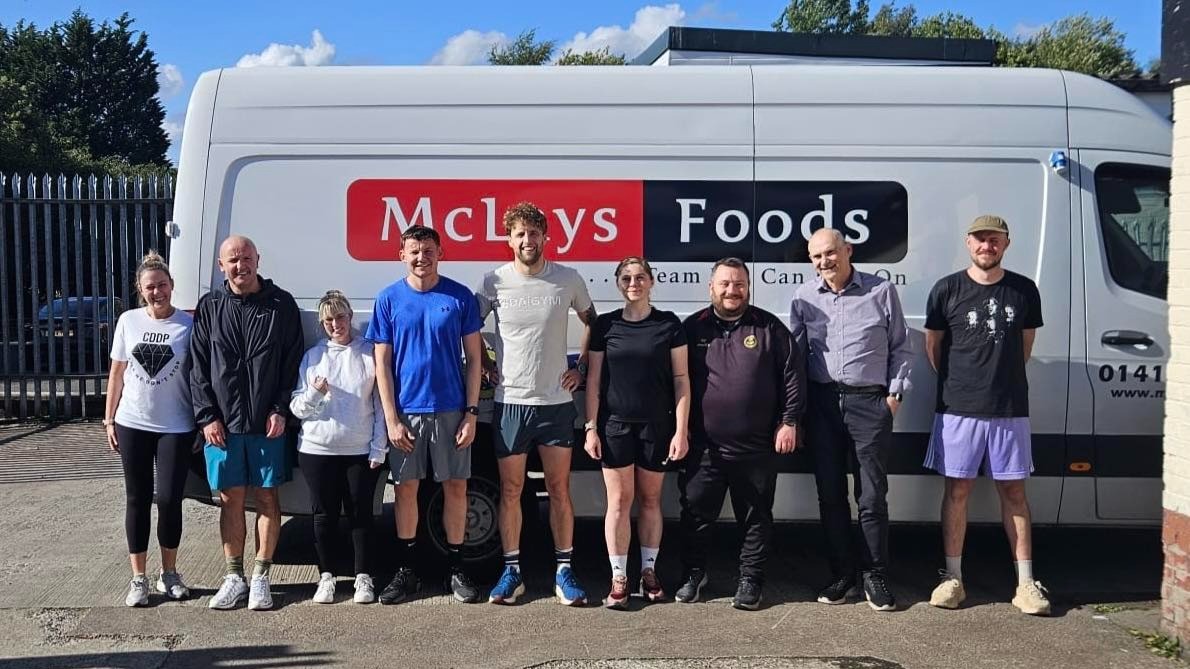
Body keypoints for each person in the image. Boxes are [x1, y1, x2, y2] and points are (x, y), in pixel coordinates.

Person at [922, 215, 1050, 616]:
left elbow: (1025, 349)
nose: (986, 246)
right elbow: (934, 348)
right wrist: (965, 384)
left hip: (1009, 408)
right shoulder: (947, 289)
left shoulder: (1024, 290)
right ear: (968, 243)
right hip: (958, 409)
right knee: (957, 491)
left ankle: (1026, 584)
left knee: (1014, 494)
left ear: (1006, 244)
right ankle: (953, 578)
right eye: (980, 240)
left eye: (994, 240)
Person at [477, 202, 597, 606]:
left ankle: (565, 570)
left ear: (547, 237)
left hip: (556, 403)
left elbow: (594, 324)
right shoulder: (494, 282)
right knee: (511, 490)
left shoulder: (568, 279)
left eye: (535, 233)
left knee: (559, 489)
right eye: (520, 234)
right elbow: (468, 329)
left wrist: (580, 366)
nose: (528, 240)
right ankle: (511, 572)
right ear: (509, 239)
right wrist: (487, 365)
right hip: (511, 403)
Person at [789, 228, 913, 612]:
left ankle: (875, 575)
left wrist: (893, 396)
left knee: (872, 496)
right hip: (823, 405)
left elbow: (901, 346)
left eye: (830, 253)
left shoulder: (880, 291)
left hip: (868, 404)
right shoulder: (804, 297)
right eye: (816, 257)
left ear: (848, 250)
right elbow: (794, 357)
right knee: (830, 496)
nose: (824, 262)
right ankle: (843, 575)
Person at [677, 257, 804, 610]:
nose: (732, 290)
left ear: (748, 287)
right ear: (711, 288)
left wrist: (789, 420)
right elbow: (674, 382)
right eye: (725, 284)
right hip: (704, 447)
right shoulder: (693, 329)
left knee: (755, 517)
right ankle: (694, 574)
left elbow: (793, 376)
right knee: (696, 515)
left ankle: (750, 579)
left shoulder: (769, 328)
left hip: (756, 447)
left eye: (739, 284)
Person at [367, 225, 483, 605]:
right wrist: (391, 418)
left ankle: (456, 568)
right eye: (414, 251)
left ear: (441, 253)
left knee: (456, 488)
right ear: (402, 254)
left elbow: (474, 360)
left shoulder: (459, 297)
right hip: (407, 414)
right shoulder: (388, 299)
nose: (422, 258)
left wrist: (470, 413)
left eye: (429, 250)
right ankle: (408, 570)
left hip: (451, 411)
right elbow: (381, 364)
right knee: (406, 490)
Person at [190, 235, 303, 611]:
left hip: (266, 422)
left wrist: (280, 409)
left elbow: (292, 363)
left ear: (259, 259)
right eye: (233, 260)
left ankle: (260, 577)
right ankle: (234, 576)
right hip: (221, 425)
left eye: (247, 258)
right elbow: (197, 367)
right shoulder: (210, 306)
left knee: (268, 498)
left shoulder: (280, 304)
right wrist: (206, 416)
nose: (241, 265)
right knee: (230, 499)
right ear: (222, 266)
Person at [583, 257, 691, 609]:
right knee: (618, 502)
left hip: (657, 428)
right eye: (627, 277)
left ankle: (648, 573)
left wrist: (681, 431)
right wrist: (591, 428)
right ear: (618, 283)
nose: (634, 283)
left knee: (649, 501)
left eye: (640, 276)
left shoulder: (669, 324)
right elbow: (595, 381)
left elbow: (681, 380)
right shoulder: (606, 326)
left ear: (651, 281)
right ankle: (618, 578)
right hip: (614, 426)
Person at [104, 251, 198, 607]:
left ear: (172, 285)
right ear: (139, 291)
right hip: (132, 423)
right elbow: (117, 372)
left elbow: (198, 377)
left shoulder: (188, 326)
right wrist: (109, 418)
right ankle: (138, 578)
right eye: (149, 287)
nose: (157, 292)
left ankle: (169, 573)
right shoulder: (128, 321)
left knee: (171, 500)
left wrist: (202, 422)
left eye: (162, 285)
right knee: (137, 499)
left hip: (176, 425)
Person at [290, 290, 387, 605]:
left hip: (359, 449)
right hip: (317, 450)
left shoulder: (368, 354)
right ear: (322, 324)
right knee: (324, 515)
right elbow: (298, 408)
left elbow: (382, 405)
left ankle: (363, 577)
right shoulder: (313, 357)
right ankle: (327, 577)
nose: (336, 324)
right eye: (329, 320)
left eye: (341, 317)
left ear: (350, 317)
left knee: (361, 515)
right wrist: (315, 394)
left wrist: (378, 447)